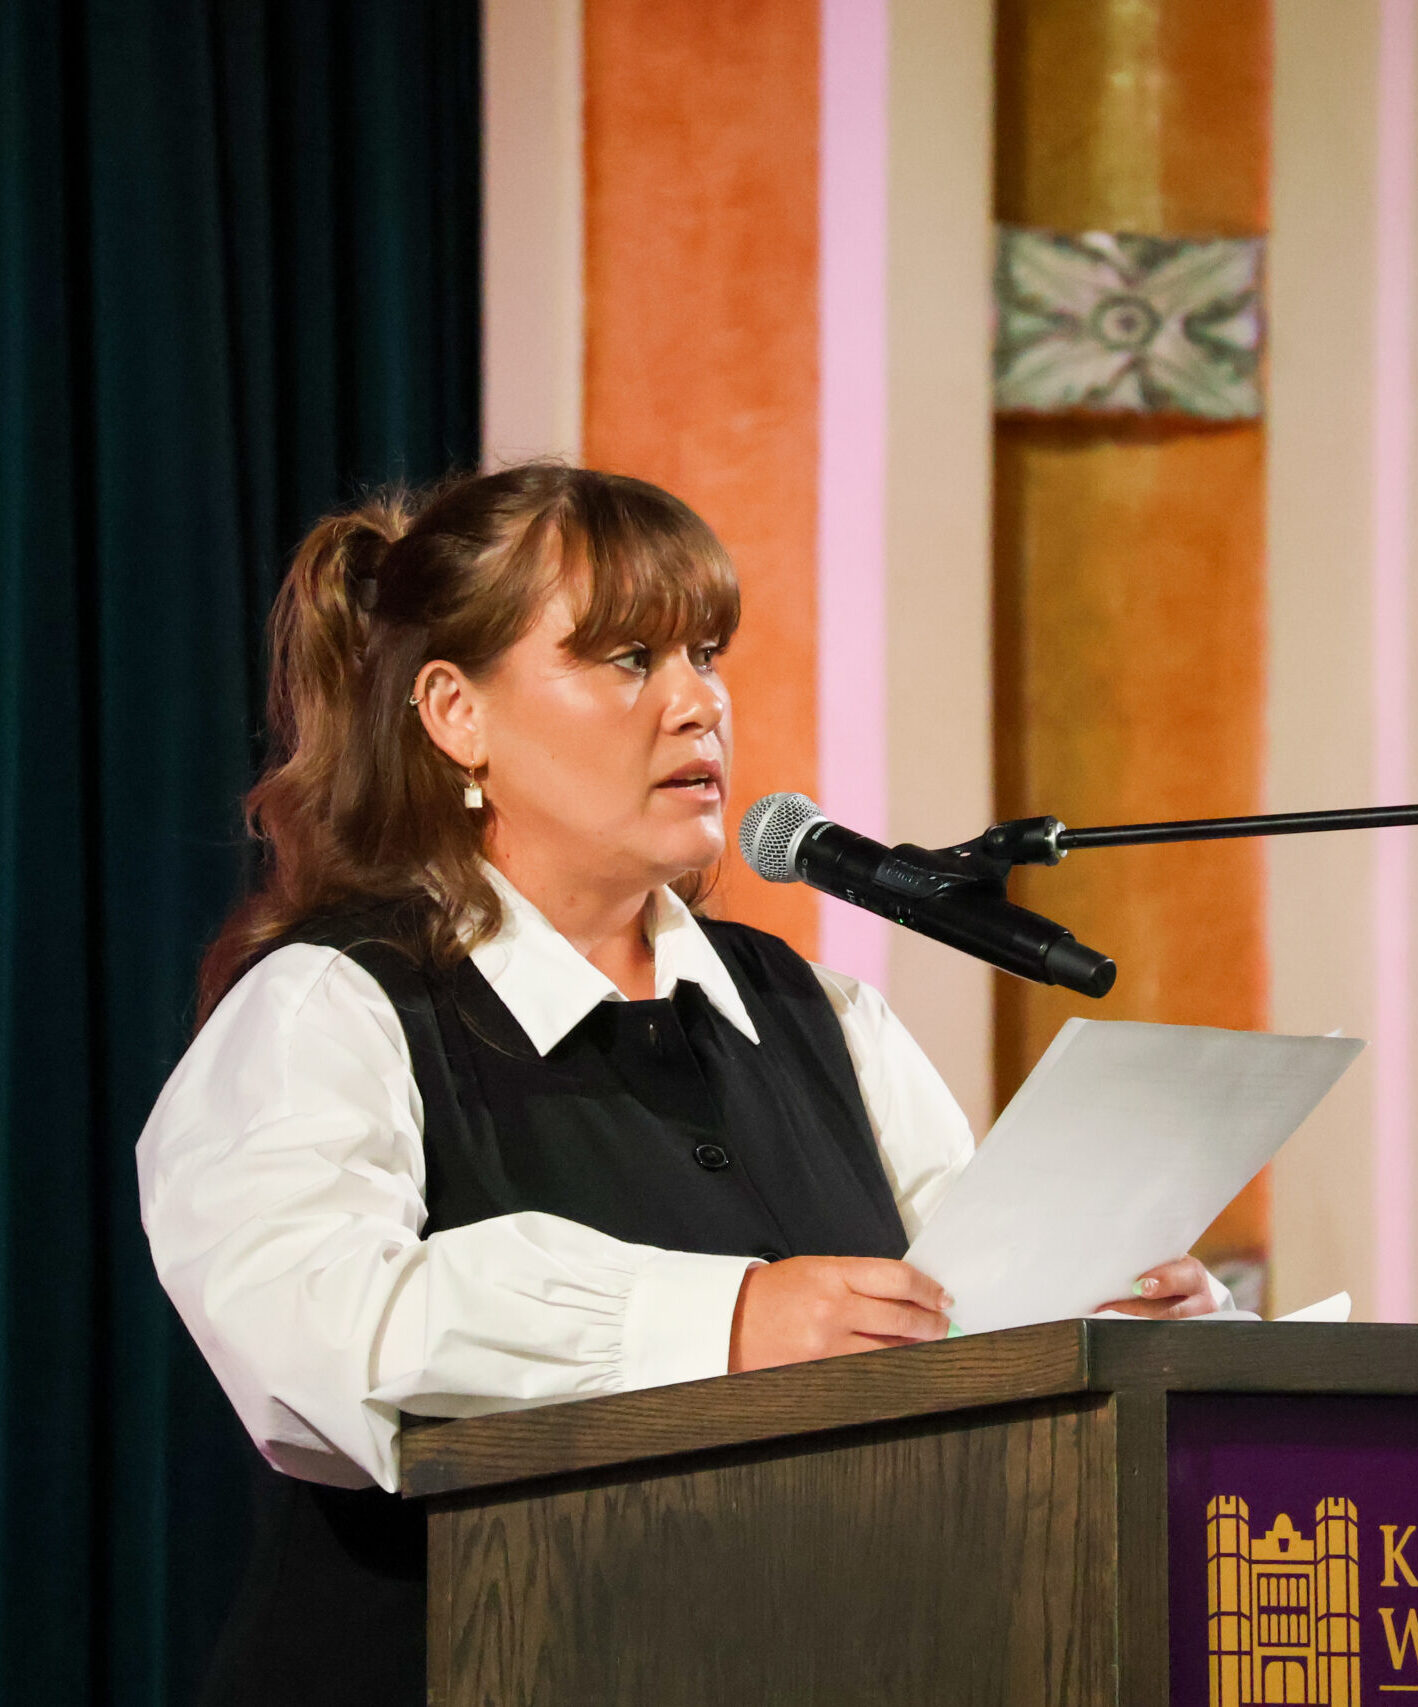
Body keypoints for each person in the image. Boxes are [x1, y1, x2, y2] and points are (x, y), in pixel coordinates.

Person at [137, 461, 1223, 1707]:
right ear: (455, 713)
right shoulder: (332, 1005)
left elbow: (960, 1317)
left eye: (705, 654)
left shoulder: (821, 1015)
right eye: (626, 659)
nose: (697, 703)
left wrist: (1101, 1331)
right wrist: (725, 1322)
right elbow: (320, 1335)